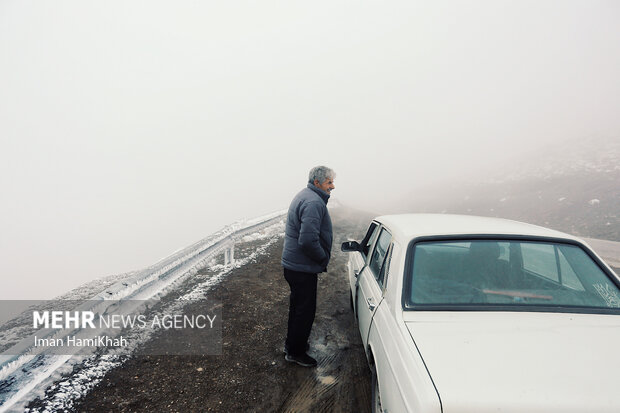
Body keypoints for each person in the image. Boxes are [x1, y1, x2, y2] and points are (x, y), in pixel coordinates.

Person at [281, 165, 335, 367]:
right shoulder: (314, 203)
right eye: (329, 182)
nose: (333, 186)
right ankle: (295, 352)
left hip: (295, 265)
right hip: (302, 267)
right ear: (317, 183)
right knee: (304, 311)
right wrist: (322, 258)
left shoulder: (306, 195)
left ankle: (293, 345)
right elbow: (307, 240)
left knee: (297, 308)